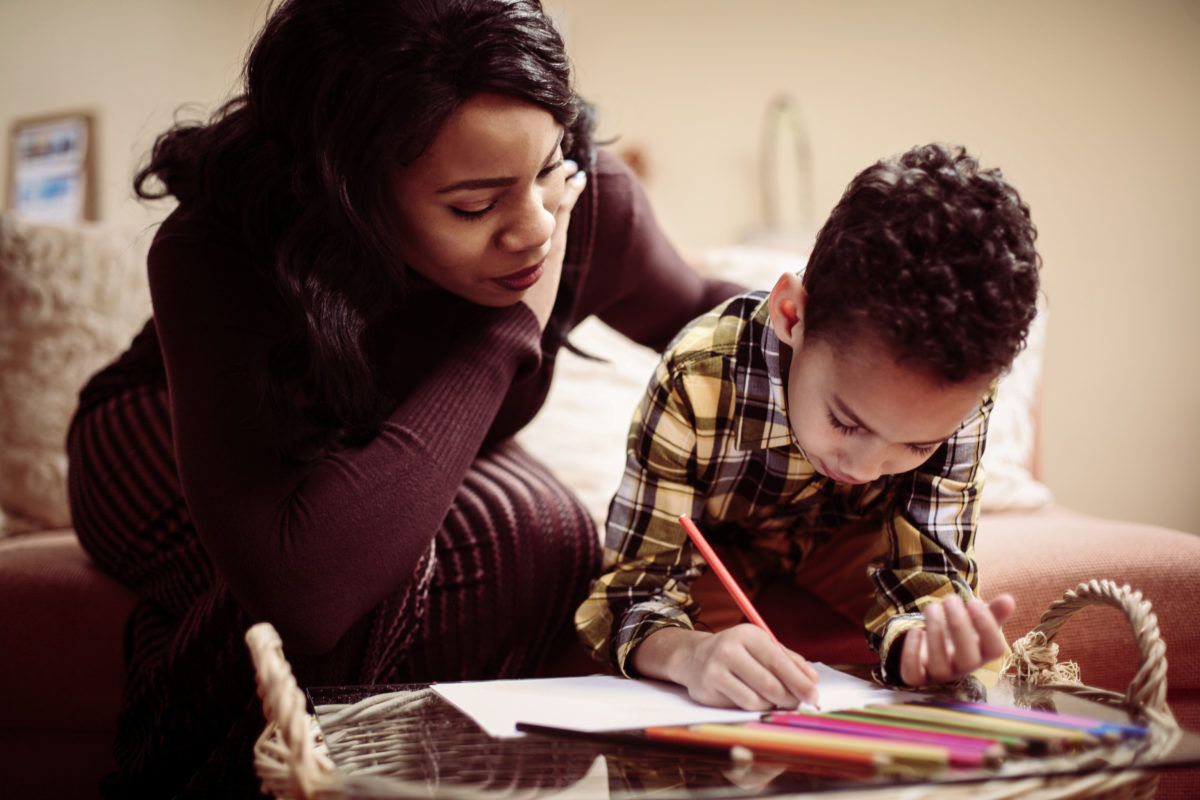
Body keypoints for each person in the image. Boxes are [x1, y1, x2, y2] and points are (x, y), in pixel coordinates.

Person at [65, 0, 742, 795]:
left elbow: (704, 312)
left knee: (542, 536)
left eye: (547, 167)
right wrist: (506, 334)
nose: (533, 230)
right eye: (474, 205)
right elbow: (308, 593)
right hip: (167, 429)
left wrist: (844, 336)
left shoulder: (579, 203)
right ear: (345, 191)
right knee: (355, 576)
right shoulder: (221, 249)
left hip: (387, 453)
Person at [576, 143, 1042, 712]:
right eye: (846, 422)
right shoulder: (696, 377)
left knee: (976, 666)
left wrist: (922, 646)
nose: (864, 468)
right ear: (791, 314)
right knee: (717, 696)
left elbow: (927, 573)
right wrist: (689, 655)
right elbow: (634, 590)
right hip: (721, 552)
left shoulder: (961, 395)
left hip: (856, 542)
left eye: (918, 445)